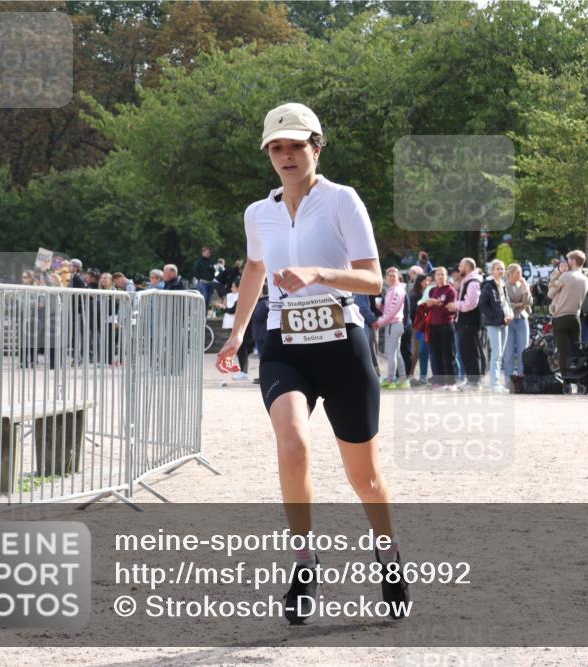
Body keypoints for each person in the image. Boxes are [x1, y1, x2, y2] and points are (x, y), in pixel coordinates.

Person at [214, 101, 408, 624]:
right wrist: (235, 337)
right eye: (276, 147)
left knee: (364, 478)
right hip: (284, 345)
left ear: (315, 148)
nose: (286, 156)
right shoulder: (259, 212)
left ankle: (387, 554)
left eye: (296, 146)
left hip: (342, 342)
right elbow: (255, 269)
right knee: (292, 443)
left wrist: (318, 273)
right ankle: (304, 559)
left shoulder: (343, 201)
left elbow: (373, 279)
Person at [546, 250, 588, 378]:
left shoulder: (565, 276)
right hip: (575, 316)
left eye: (569, 259)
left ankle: (566, 378)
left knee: (563, 350)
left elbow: (550, 294)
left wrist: (556, 275)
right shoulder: (586, 280)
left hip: (561, 316)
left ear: (573, 261)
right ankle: (578, 375)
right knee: (577, 348)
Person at [450, 257, 486, 389]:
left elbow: (470, 304)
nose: (459, 269)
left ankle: (474, 382)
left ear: (467, 267)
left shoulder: (473, 282)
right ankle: (471, 380)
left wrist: (455, 305)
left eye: (460, 266)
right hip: (464, 322)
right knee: (466, 351)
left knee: (470, 351)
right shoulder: (467, 281)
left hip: (469, 322)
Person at [480, 259, 513, 393]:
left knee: (500, 353)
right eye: (498, 268)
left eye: (502, 268)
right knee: (496, 352)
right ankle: (494, 383)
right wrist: (494, 318)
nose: (501, 271)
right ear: (492, 271)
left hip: (505, 322)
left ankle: (496, 382)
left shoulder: (503, 285)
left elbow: (506, 303)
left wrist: (510, 314)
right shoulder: (488, 285)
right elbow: (482, 304)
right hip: (493, 323)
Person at [374, 266, 410, 389]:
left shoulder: (398, 290)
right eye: (389, 276)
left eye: (394, 275)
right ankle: (403, 379)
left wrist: (380, 321)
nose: (391, 278)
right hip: (392, 324)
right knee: (397, 353)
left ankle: (390, 380)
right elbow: (389, 310)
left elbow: (393, 310)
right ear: (386, 278)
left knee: (392, 353)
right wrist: (381, 308)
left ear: (398, 277)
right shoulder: (391, 290)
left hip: (394, 324)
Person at [425, 267, 457, 390]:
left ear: (446, 276)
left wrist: (439, 305)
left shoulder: (450, 291)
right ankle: (440, 381)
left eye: (443, 274)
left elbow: (451, 308)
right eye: (438, 274)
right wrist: (429, 304)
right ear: (435, 276)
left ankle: (451, 382)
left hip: (446, 325)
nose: (440, 277)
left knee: (448, 354)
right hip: (434, 325)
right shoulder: (433, 290)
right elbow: (428, 308)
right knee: (436, 354)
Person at [503, 263, 532, 384]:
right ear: (510, 274)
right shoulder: (504, 286)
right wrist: (519, 304)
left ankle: (522, 378)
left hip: (522, 318)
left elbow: (529, 301)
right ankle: (508, 381)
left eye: (520, 272)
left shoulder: (523, 285)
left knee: (523, 350)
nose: (520, 275)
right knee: (508, 351)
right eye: (517, 272)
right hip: (509, 320)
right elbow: (507, 303)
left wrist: (525, 286)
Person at [408, 273, 432, 384]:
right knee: (417, 351)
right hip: (418, 327)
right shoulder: (414, 295)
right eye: (424, 281)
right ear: (419, 282)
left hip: (428, 326)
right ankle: (410, 374)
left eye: (428, 281)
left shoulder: (430, 292)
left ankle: (423, 376)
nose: (427, 283)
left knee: (425, 351)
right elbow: (413, 312)